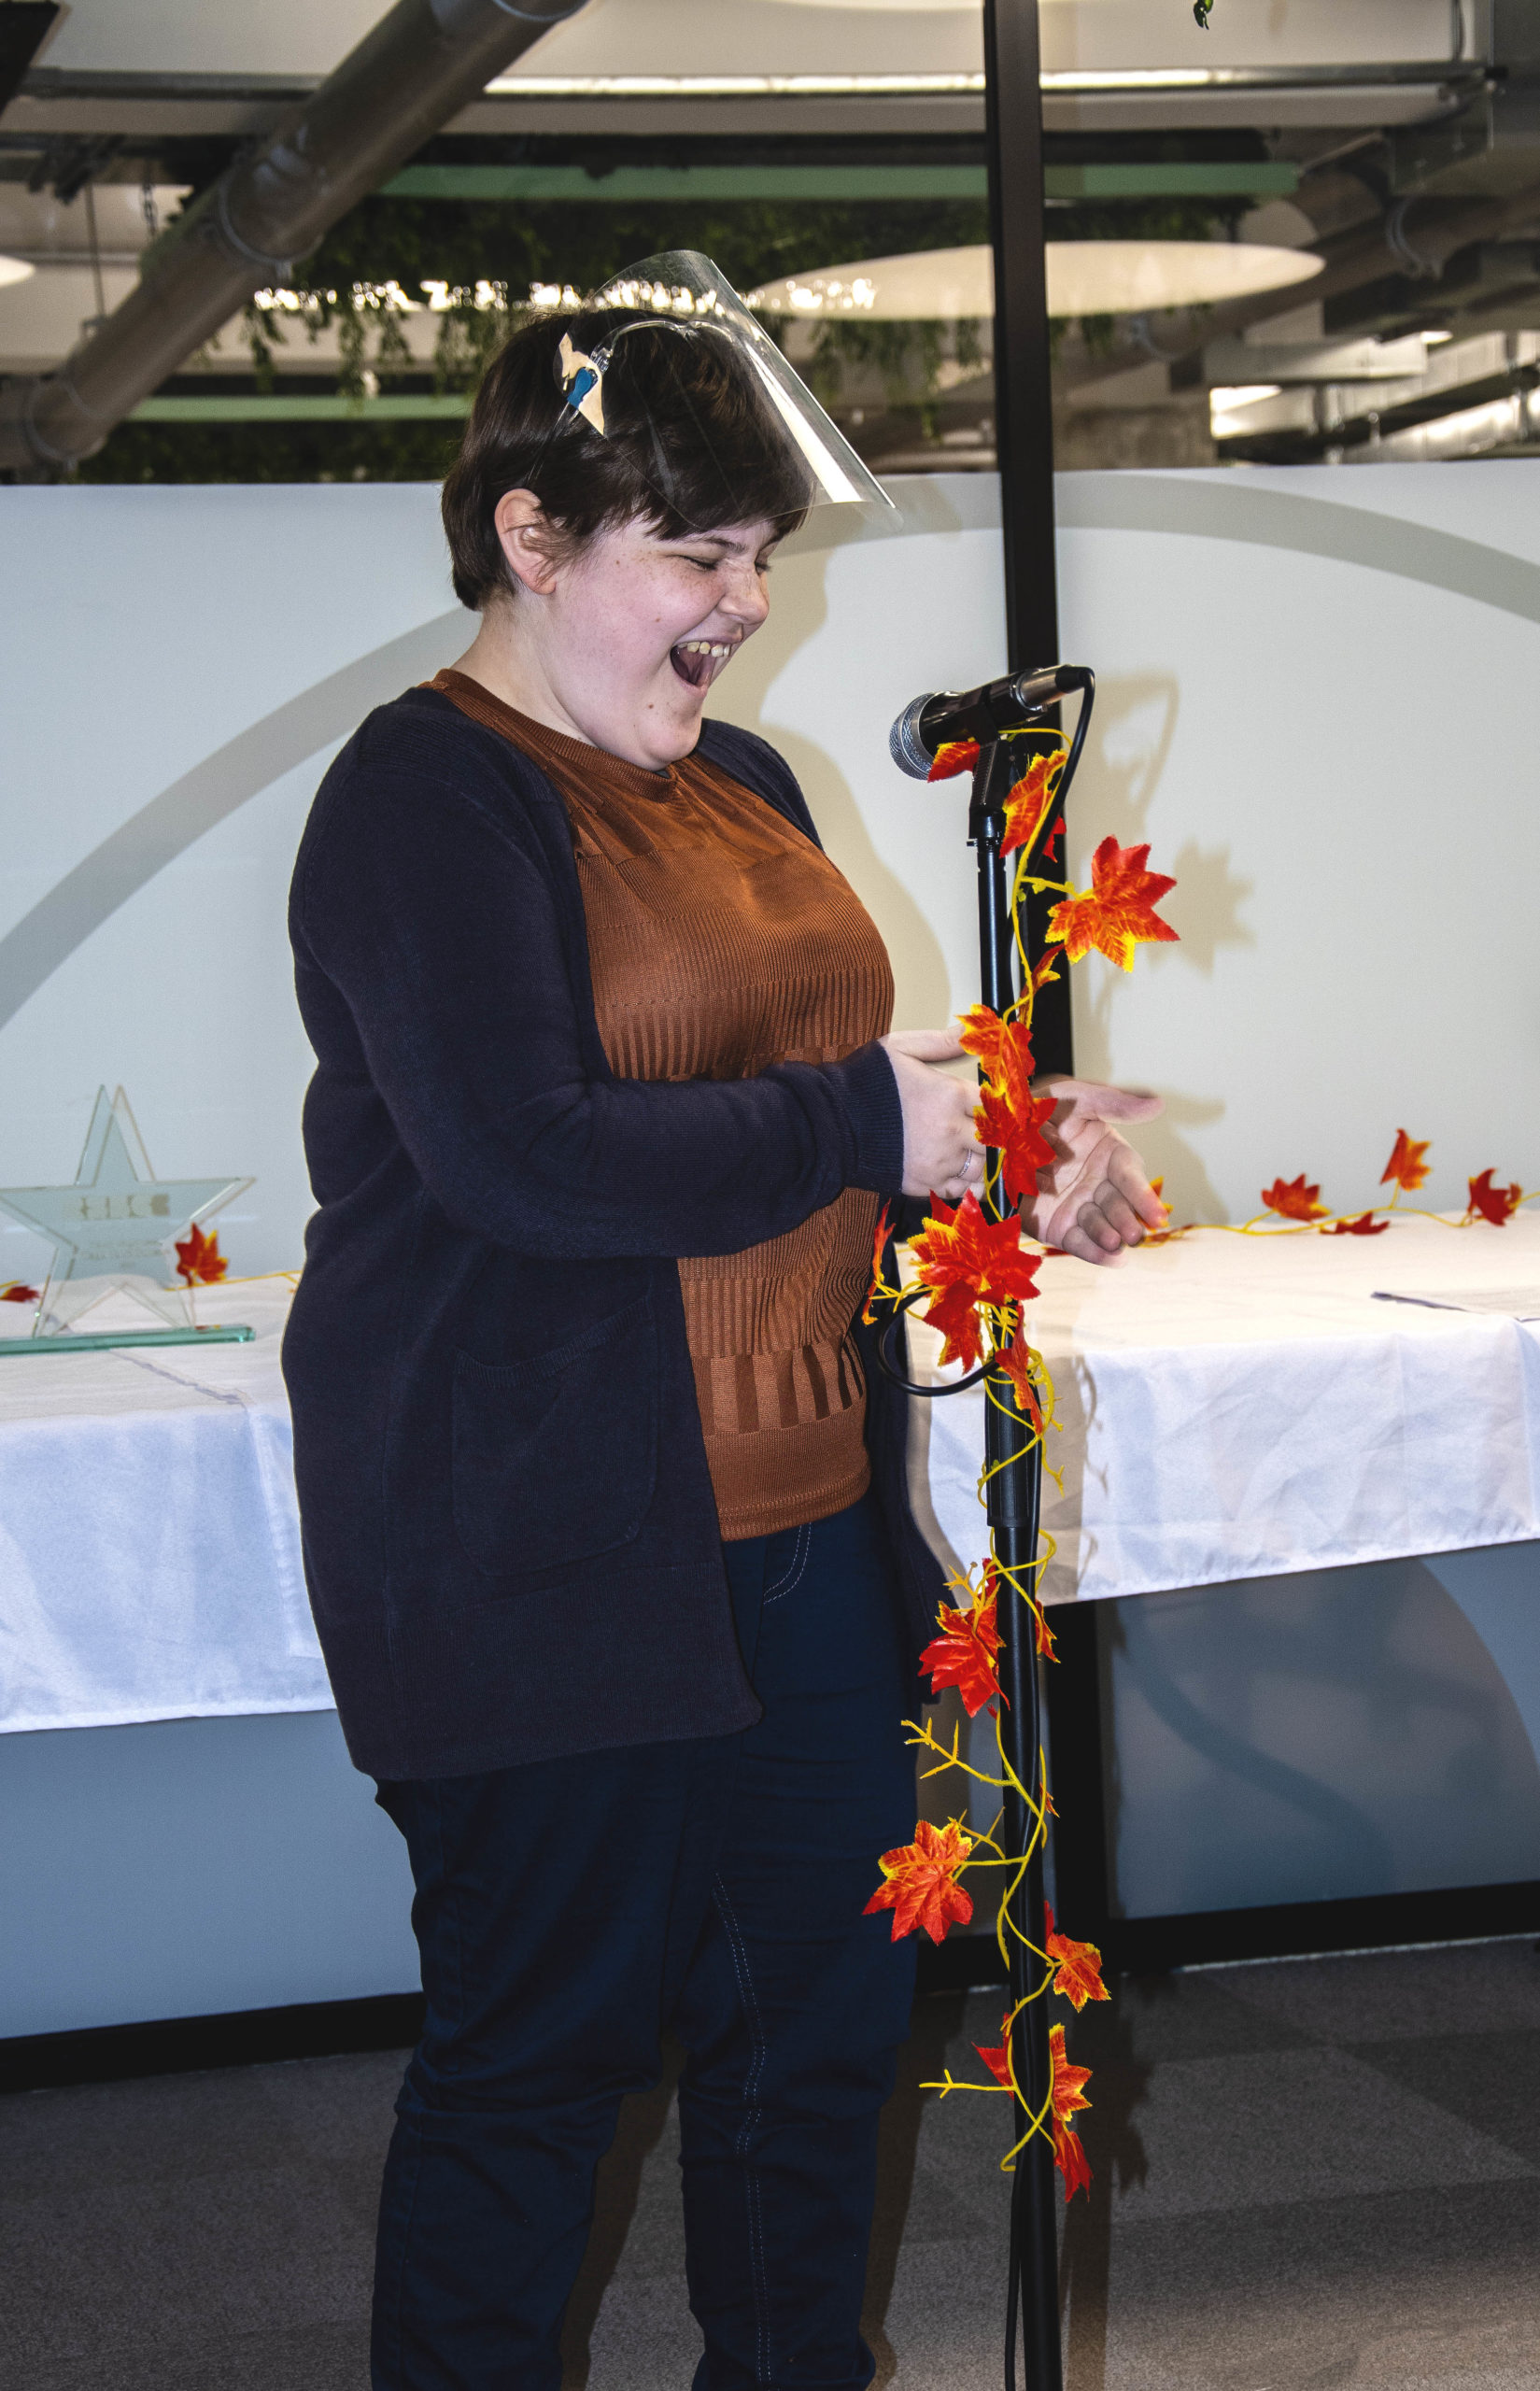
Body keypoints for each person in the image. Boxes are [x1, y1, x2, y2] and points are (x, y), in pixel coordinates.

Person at [283, 254, 1164, 2391]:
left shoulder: (747, 780)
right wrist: (872, 1114)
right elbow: (526, 1154)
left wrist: (998, 1152)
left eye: (759, 551)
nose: (748, 601)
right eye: (697, 552)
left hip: (806, 1531)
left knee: (820, 2040)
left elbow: (797, 1110)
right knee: (540, 2070)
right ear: (530, 535)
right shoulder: (424, 794)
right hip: (545, 1553)